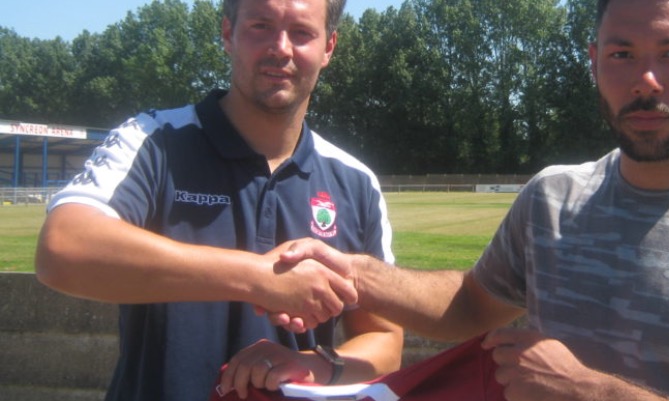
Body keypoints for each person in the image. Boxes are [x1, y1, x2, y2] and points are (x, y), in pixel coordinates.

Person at [237, 0, 669, 400]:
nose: (645, 81)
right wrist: (354, 272)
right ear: (593, 62)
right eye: (622, 54)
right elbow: (468, 305)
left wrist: (591, 392)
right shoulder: (554, 199)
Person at [34, 0, 402, 400]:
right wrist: (259, 279)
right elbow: (62, 248)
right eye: (261, 26)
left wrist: (318, 364)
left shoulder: (355, 182)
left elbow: (385, 339)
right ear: (228, 33)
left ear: (328, 47)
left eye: (301, 33)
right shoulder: (153, 139)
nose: (280, 48)